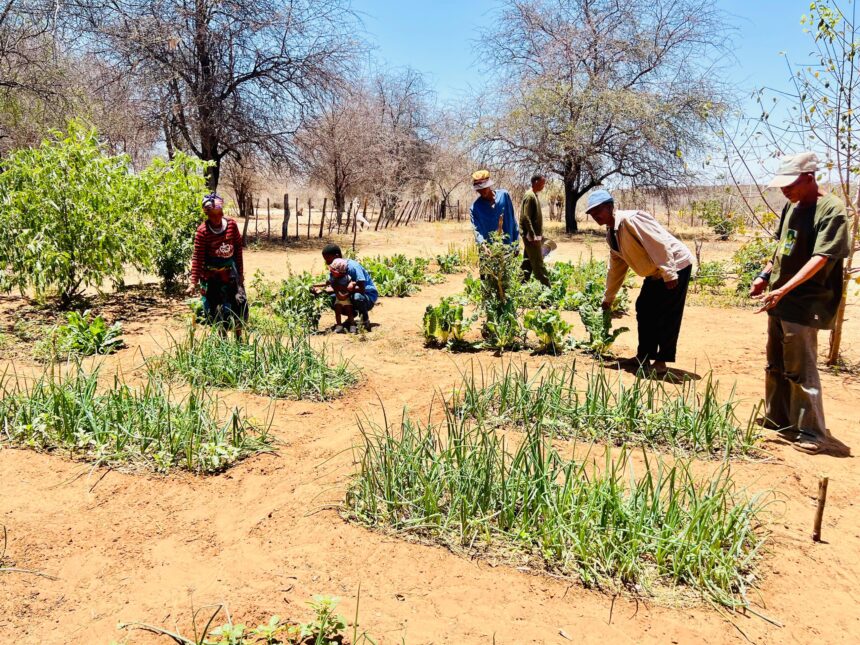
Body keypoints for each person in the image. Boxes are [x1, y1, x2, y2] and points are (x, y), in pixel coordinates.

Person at [751, 152, 851, 455]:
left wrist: (785, 290)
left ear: (809, 177)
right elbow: (782, 248)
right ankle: (778, 417)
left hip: (807, 302)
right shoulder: (792, 208)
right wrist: (765, 276)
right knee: (775, 362)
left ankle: (812, 432)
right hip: (779, 299)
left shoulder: (832, 211)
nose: (785, 191)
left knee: (801, 368)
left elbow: (821, 258)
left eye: (790, 185)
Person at [586, 189, 693, 375]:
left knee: (668, 313)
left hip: (675, 264)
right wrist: (608, 297)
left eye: (598, 211)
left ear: (610, 207)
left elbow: (658, 243)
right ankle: (643, 355)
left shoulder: (632, 219)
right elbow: (616, 269)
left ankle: (661, 361)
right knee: (644, 307)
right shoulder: (612, 235)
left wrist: (669, 273)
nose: (595, 216)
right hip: (655, 271)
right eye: (592, 213)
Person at [188, 193, 247, 336]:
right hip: (212, 277)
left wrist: (240, 273)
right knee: (217, 310)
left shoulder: (232, 225)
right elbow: (198, 257)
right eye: (212, 215)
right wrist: (193, 281)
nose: (216, 218)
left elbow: (238, 250)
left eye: (218, 214)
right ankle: (223, 342)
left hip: (230, 274)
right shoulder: (202, 232)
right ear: (207, 214)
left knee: (238, 304)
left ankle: (239, 340)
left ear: (222, 212)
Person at [314, 244, 378, 332]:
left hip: (367, 296)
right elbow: (333, 285)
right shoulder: (335, 267)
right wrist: (321, 290)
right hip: (350, 293)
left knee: (357, 297)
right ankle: (351, 318)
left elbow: (361, 289)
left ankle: (365, 320)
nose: (327, 262)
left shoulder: (353, 267)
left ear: (337, 256)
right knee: (330, 298)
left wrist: (343, 288)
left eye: (328, 258)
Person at [469, 170, 519, 246]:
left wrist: (516, 243)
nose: (481, 191)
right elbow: (477, 231)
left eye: (483, 188)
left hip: (508, 247)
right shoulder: (475, 208)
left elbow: (512, 220)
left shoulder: (504, 196)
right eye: (479, 189)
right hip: (490, 251)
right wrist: (483, 246)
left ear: (489, 185)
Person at [520, 173, 551, 286]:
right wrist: (533, 236)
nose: (544, 185)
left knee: (527, 263)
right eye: (542, 183)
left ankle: (520, 286)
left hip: (533, 236)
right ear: (536, 182)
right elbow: (526, 217)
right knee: (538, 263)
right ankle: (547, 290)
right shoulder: (529, 196)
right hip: (531, 237)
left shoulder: (534, 195)